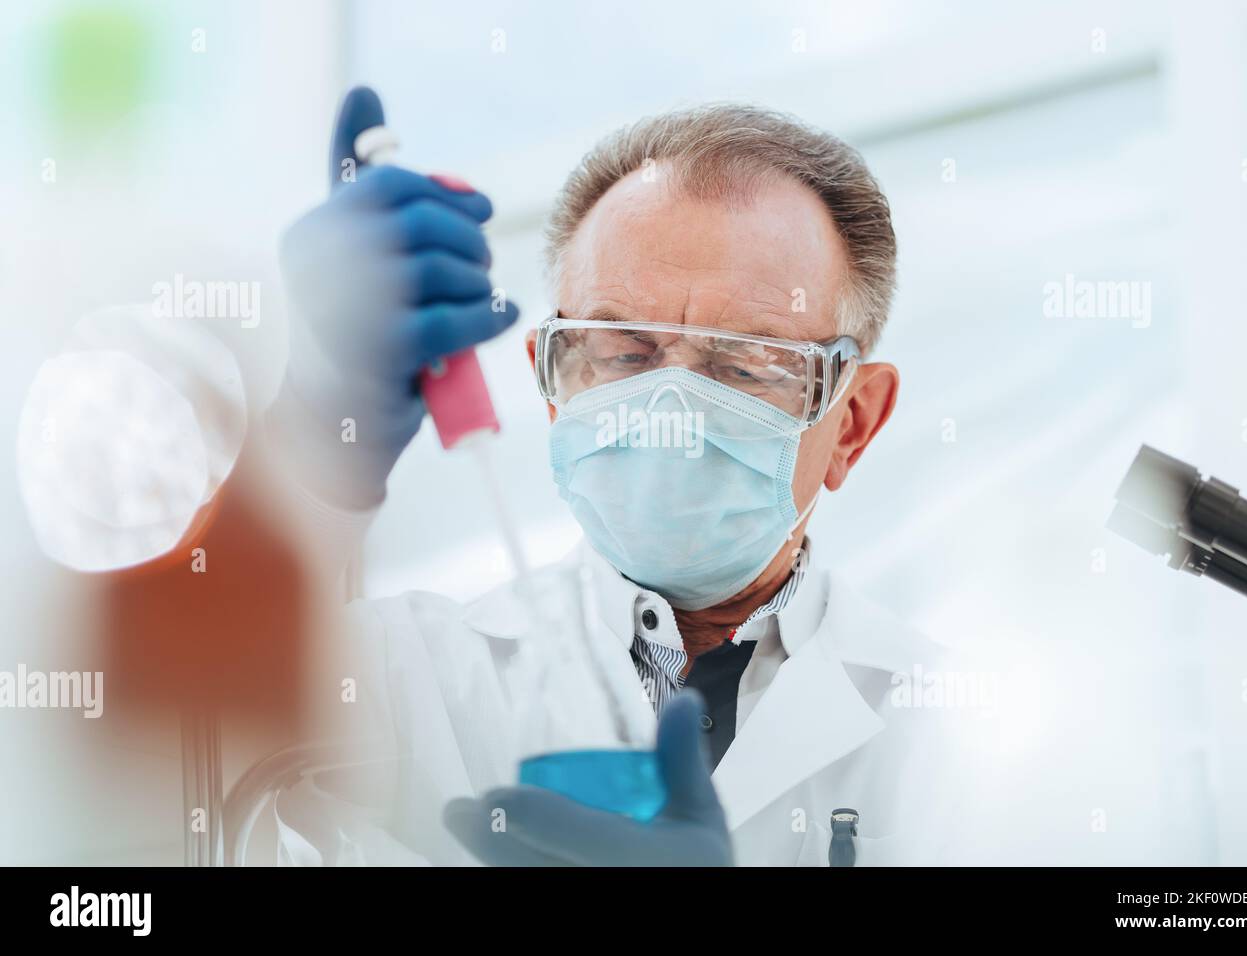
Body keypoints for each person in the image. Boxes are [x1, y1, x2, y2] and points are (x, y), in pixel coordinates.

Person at [267, 87, 970, 866]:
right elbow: (142, 779)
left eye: (744, 364)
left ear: (855, 423)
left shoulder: (955, 727)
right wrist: (307, 449)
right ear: (552, 382)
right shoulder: (400, 677)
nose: (669, 406)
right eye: (624, 354)